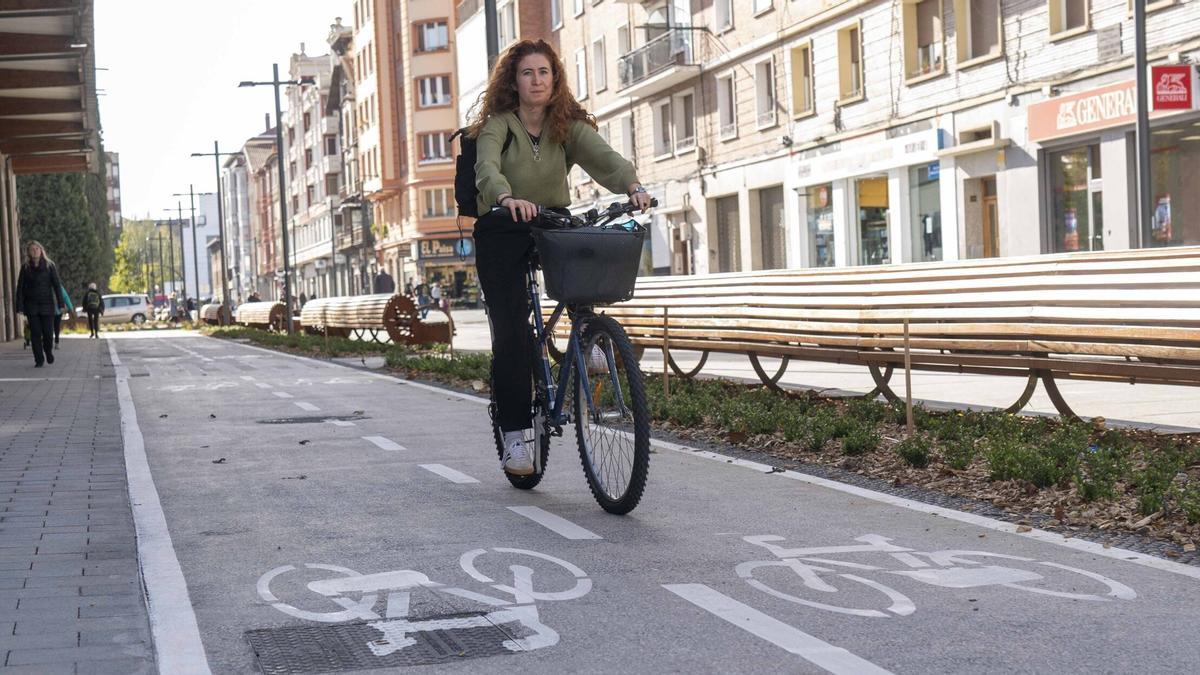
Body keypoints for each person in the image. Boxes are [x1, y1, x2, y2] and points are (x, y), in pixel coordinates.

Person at [469, 39, 652, 475]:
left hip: (548, 217)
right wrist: (505, 196)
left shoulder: (563, 125)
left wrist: (633, 187)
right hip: (501, 223)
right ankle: (515, 435)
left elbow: (604, 157)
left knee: (582, 250)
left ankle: (587, 333)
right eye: (528, 73)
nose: (537, 80)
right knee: (512, 332)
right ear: (514, 81)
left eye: (544, 72)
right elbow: (487, 168)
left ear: (555, 80)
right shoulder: (500, 125)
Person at [14, 241, 64, 368]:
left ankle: (48, 350)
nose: (35, 251)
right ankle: (39, 359)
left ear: (41, 250)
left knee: (48, 332)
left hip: (47, 304)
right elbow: (20, 288)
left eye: (37, 248)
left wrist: (61, 303)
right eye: (32, 249)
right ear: (29, 253)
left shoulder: (49, 266)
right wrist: (19, 306)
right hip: (31, 306)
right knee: (35, 333)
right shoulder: (25, 268)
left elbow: (57, 286)